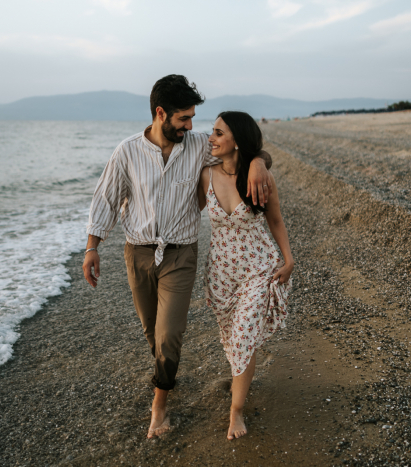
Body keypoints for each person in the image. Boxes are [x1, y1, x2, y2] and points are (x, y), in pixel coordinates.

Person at [82, 75, 273, 438]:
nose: (191, 126)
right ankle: (165, 374)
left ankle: (160, 409)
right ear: (160, 113)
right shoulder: (127, 152)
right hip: (137, 254)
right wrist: (92, 247)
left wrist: (261, 162)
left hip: (180, 254)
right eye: (184, 118)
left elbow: (244, 148)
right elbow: (105, 199)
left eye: (192, 118)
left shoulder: (198, 145)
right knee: (153, 333)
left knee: (170, 334)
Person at [197, 111, 294, 441]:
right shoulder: (206, 175)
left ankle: (236, 411)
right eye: (211, 132)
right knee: (233, 340)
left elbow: (276, 220)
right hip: (221, 274)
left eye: (218, 133)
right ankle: (241, 378)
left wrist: (289, 258)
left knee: (242, 338)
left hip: (258, 268)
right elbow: (184, 210)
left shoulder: (260, 178)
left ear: (235, 140)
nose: (211, 138)